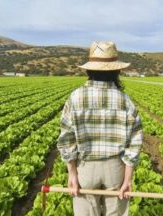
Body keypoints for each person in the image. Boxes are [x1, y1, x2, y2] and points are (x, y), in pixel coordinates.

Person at [57, 41, 143, 216]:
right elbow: (135, 142)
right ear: (117, 70)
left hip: (86, 168)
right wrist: (128, 178)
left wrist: (72, 173)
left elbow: (66, 140)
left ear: (89, 69)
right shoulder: (125, 100)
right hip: (115, 169)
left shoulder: (75, 97)